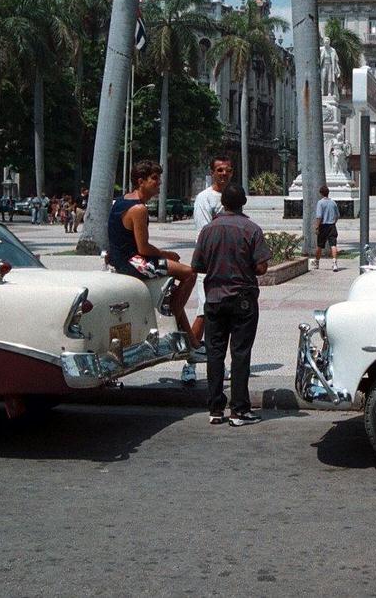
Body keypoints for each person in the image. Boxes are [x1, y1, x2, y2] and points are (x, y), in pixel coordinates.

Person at [191, 182, 270, 427]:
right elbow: (261, 267)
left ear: (222, 202)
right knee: (240, 354)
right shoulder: (252, 229)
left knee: (214, 354)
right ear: (243, 203)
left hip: (214, 298)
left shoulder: (208, 231)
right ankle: (239, 410)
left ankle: (215, 408)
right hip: (242, 299)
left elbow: (197, 266)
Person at [105, 160, 200, 352]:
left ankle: (188, 334)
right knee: (190, 273)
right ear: (141, 181)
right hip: (133, 262)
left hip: (119, 259)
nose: (159, 183)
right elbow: (144, 248)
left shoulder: (122, 201)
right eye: (154, 179)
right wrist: (167, 254)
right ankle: (172, 312)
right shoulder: (139, 209)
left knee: (178, 281)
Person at [183, 155, 235, 383]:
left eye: (228, 170)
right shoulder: (205, 198)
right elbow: (204, 232)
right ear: (212, 172)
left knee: (227, 316)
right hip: (210, 264)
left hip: (231, 266)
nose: (224, 174)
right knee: (205, 313)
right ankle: (190, 364)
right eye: (220, 170)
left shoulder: (234, 196)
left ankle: (218, 363)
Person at [314, 184, 340, 271]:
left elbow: (319, 216)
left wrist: (317, 227)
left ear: (321, 193)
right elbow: (337, 216)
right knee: (333, 245)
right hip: (332, 225)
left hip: (323, 226)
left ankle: (317, 262)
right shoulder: (333, 202)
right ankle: (334, 263)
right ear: (328, 193)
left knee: (319, 245)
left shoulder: (320, 203)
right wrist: (333, 222)